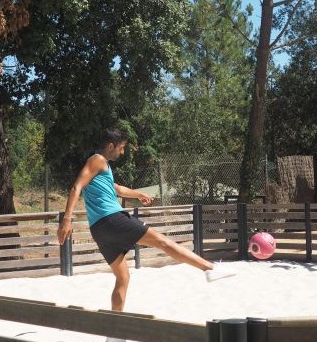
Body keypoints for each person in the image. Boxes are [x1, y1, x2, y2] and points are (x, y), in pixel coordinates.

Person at [57, 127, 236, 319]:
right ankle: (210, 269)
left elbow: (115, 188)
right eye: (121, 147)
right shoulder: (97, 160)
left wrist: (138, 194)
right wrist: (67, 220)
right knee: (162, 241)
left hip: (99, 229)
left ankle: (113, 330)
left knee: (123, 276)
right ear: (111, 146)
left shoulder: (102, 167)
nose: (122, 152)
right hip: (113, 219)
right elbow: (77, 186)